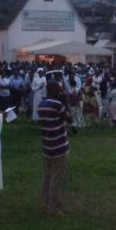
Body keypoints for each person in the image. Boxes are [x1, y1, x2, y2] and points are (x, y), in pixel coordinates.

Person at [37, 81, 71, 216]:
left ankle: (45, 202)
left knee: (48, 176)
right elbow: (69, 118)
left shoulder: (41, 105)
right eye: (60, 89)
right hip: (59, 145)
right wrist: (65, 103)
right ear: (56, 90)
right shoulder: (58, 105)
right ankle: (54, 208)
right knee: (57, 179)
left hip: (47, 145)